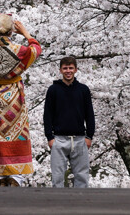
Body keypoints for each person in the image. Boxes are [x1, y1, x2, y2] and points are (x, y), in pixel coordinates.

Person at [0, 13, 42, 187]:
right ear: (12, 30)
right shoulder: (19, 51)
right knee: (16, 131)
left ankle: (1, 174)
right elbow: (36, 50)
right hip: (14, 97)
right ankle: (16, 175)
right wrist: (26, 33)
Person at [43, 56, 95, 188]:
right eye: (65, 68)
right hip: (59, 139)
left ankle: (81, 206)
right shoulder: (53, 90)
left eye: (71, 68)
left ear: (76, 69)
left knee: (82, 177)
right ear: (60, 70)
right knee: (57, 177)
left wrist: (89, 136)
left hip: (79, 139)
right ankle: (57, 207)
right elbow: (47, 114)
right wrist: (50, 137)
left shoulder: (83, 90)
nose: (68, 71)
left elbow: (89, 114)